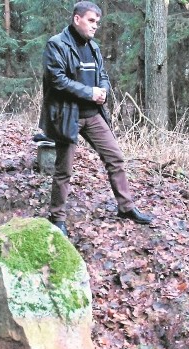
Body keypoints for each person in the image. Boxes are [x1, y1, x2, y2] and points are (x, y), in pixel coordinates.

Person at [38, 1, 154, 236]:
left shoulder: (93, 47)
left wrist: (102, 90)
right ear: (77, 19)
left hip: (93, 115)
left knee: (116, 158)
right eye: (91, 21)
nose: (95, 27)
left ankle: (126, 207)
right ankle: (57, 217)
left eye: (97, 23)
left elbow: (102, 74)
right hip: (67, 115)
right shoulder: (56, 44)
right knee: (64, 170)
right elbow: (57, 80)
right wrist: (88, 92)